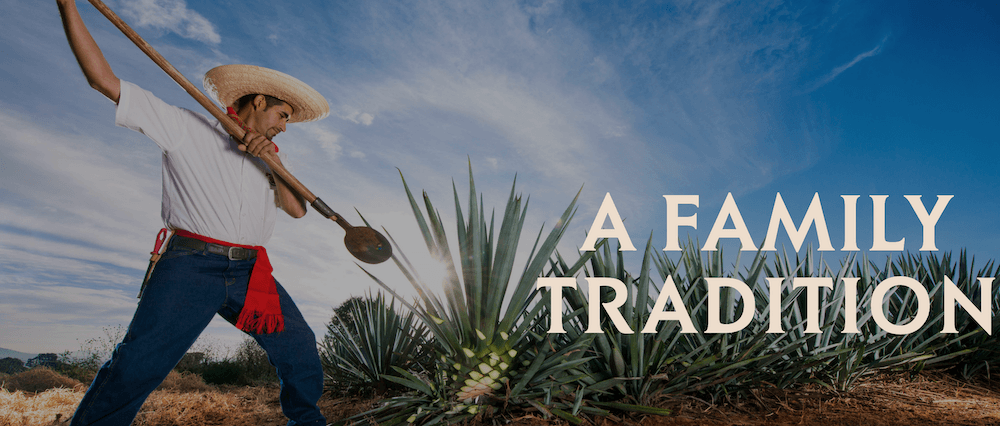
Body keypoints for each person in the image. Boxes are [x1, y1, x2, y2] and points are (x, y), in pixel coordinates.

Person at [56, 1, 329, 425]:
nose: (284, 126)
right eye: (282, 115)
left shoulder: (272, 156)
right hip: (190, 267)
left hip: (251, 274)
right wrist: (67, 5)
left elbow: (297, 210)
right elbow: (102, 80)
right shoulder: (184, 126)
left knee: (299, 349)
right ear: (258, 101)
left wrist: (270, 165)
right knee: (136, 366)